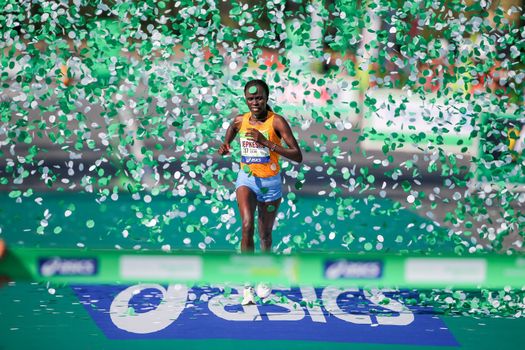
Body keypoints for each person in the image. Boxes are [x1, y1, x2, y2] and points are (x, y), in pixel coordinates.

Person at [218, 79, 303, 305]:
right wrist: (226, 144)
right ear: (245, 99)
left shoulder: (277, 122)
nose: (254, 102)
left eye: (259, 98)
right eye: (250, 98)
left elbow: (297, 155)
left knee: (265, 234)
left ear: (267, 98)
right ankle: (247, 283)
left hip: (271, 184)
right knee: (247, 224)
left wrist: (267, 143)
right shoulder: (240, 120)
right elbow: (232, 128)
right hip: (247, 180)